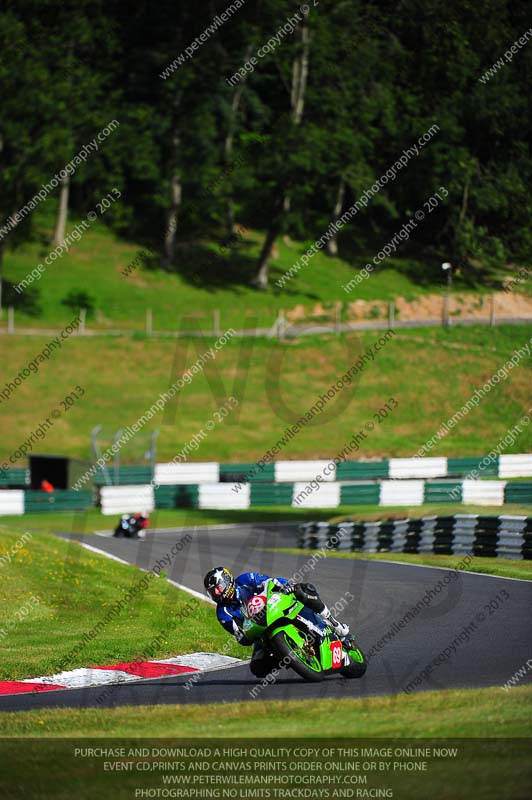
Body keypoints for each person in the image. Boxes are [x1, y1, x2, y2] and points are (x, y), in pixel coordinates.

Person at [203, 566, 351, 678]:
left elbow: (269, 581)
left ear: (227, 581)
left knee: (303, 590)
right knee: (257, 668)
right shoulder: (223, 613)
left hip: (276, 605)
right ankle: (288, 657)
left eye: (218, 587)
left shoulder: (245, 579)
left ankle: (333, 622)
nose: (216, 593)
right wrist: (245, 635)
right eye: (212, 591)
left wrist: (286, 586)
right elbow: (240, 637)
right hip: (260, 632)